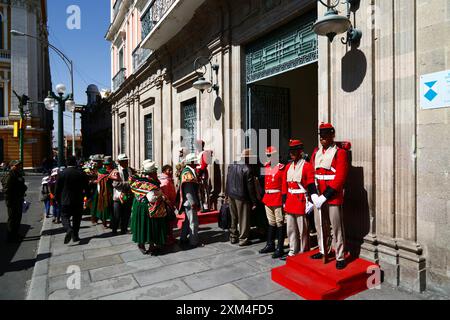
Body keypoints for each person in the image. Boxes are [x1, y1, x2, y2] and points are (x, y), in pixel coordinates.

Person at [310, 123, 349, 270]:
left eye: (326, 136)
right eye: (321, 136)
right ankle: (323, 250)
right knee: (320, 225)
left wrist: (325, 196)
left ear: (332, 135)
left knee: (336, 227)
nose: (323, 139)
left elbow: (340, 177)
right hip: (318, 196)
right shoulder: (316, 152)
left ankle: (339, 256)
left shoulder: (340, 153)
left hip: (332, 196)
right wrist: (313, 194)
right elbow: (311, 173)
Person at [282, 140, 317, 258]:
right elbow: (284, 185)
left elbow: (311, 184)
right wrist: (284, 200)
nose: (291, 153)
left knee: (303, 230)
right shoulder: (288, 166)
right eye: (290, 151)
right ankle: (293, 249)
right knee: (291, 229)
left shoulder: (307, 166)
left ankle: (303, 250)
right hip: (290, 200)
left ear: (300, 152)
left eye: (294, 151)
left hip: (301, 200)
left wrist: (313, 199)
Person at [130, 160, 168, 255]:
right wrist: (161, 196)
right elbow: (152, 198)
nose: (156, 174)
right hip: (145, 206)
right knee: (146, 225)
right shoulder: (149, 184)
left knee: (148, 226)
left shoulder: (138, 181)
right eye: (155, 172)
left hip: (139, 206)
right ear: (151, 173)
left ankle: (151, 245)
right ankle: (142, 244)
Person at [225, 149, 258, 247]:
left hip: (231, 194)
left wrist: (226, 194)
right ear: (247, 158)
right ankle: (243, 239)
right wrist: (254, 201)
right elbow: (250, 188)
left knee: (233, 217)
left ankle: (233, 236)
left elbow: (227, 181)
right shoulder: (247, 169)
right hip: (242, 197)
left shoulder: (232, 165)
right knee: (243, 219)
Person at [55, 156, 90, 244]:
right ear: (75, 163)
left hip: (65, 200)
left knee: (64, 216)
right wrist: (88, 196)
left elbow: (57, 189)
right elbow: (87, 187)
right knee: (77, 218)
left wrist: (57, 199)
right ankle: (75, 236)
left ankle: (68, 229)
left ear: (67, 163)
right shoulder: (81, 173)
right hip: (78, 200)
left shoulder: (62, 174)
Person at [259, 146, 287, 259]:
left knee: (280, 222)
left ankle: (279, 248)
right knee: (271, 222)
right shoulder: (266, 167)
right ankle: (270, 244)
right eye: (267, 155)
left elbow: (284, 185)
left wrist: (284, 200)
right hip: (268, 197)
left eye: (270, 155)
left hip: (277, 197)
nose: (268, 157)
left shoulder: (282, 168)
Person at [177, 153, 202, 248]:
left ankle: (183, 238)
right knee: (193, 223)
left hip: (187, 202)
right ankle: (194, 242)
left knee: (187, 221)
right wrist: (193, 203)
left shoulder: (189, 171)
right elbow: (188, 191)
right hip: (189, 202)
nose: (197, 163)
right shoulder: (187, 173)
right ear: (191, 162)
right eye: (195, 161)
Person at [2, 160, 27, 243]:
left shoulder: (17, 173)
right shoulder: (9, 175)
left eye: (19, 165)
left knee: (18, 218)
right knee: (12, 219)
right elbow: (6, 189)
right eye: (17, 165)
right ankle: (10, 237)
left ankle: (15, 234)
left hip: (18, 199)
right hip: (12, 200)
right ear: (12, 166)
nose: (19, 166)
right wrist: (8, 201)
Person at [110, 154, 135, 235]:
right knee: (116, 215)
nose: (127, 162)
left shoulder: (130, 170)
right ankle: (114, 230)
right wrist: (128, 184)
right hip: (118, 197)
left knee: (126, 214)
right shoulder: (115, 171)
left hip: (128, 196)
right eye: (125, 161)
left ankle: (123, 229)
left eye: (127, 161)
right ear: (120, 162)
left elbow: (134, 181)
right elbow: (116, 184)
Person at [159, 165, 177, 245]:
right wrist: (170, 204)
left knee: (168, 222)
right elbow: (166, 194)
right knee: (169, 222)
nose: (171, 172)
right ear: (164, 171)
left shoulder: (167, 179)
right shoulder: (165, 181)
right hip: (167, 204)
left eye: (171, 170)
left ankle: (169, 237)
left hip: (168, 203)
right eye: (168, 170)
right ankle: (169, 238)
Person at [89, 155, 104, 225]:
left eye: (98, 161)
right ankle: (94, 218)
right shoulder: (92, 168)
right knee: (94, 203)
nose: (95, 163)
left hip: (101, 188)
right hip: (95, 189)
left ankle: (101, 217)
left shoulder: (102, 168)